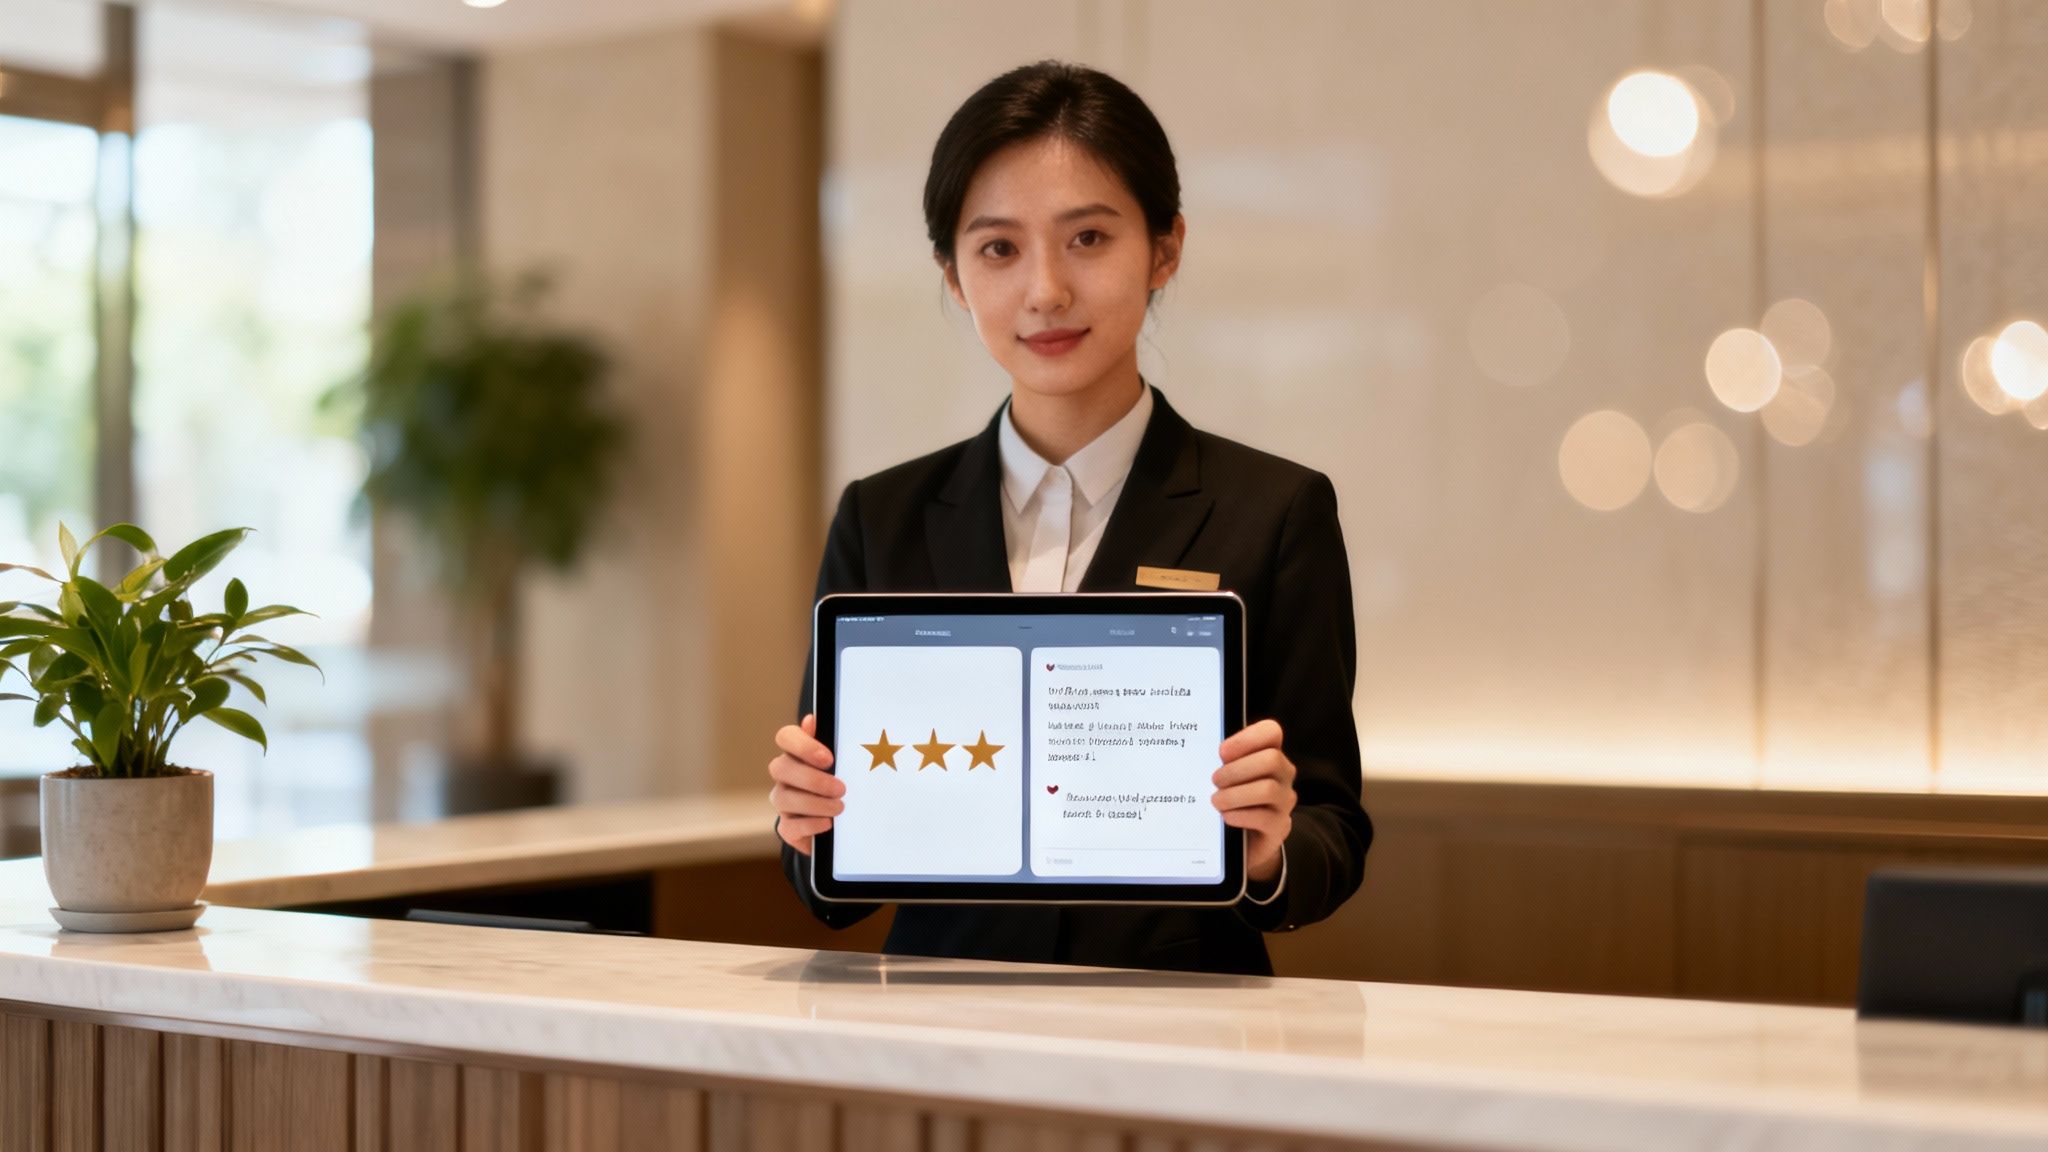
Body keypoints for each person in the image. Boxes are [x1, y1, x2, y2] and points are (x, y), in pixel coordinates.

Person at [766, 60, 1370, 976]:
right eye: (999, 248)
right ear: (955, 276)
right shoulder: (880, 517)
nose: (1044, 290)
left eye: (1087, 237)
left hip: (1183, 1032)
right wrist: (810, 828)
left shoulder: (1276, 511)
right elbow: (830, 879)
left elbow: (1334, 826)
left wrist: (1268, 853)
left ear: (1165, 248)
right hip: (933, 1032)